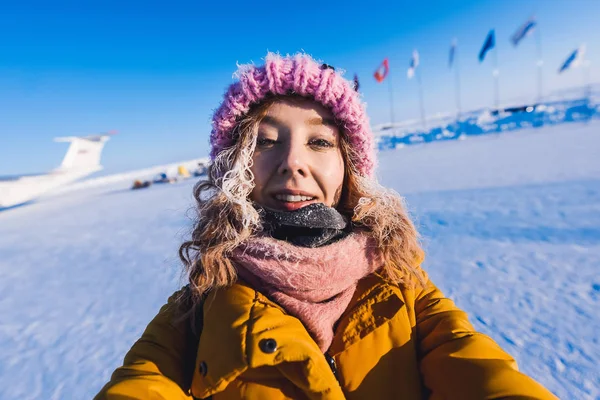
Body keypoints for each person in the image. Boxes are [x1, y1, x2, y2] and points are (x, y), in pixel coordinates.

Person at [95, 53, 556, 399]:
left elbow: (479, 371)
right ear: (235, 168)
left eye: (319, 141)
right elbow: (143, 384)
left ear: (349, 167)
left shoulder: (404, 291)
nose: (293, 162)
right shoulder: (193, 315)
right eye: (266, 142)